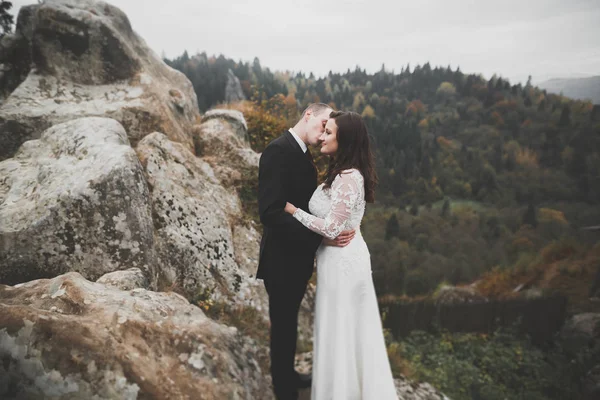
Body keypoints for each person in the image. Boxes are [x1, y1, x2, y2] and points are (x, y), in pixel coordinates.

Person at [284, 111, 398, 399]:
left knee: (344, 327)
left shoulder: (348, 178)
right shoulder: (340, 172)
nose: (322, 136)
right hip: (337, 258)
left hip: (343, 261)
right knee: (340, 326)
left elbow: (334, 228)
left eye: (329, 132)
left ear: (344, 140)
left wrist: (293, 211)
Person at [257, 103, 356, 400]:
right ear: (308, 114)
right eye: (324, 122)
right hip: (281, 259)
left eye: (330, 128)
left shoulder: (303, 154)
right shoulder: (278, 150)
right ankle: (283, 390)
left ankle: (288, 374)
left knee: (289, 323)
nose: (325, 130)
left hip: (296, 258)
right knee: (283, 325)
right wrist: (319, 239)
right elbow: (271, 212)